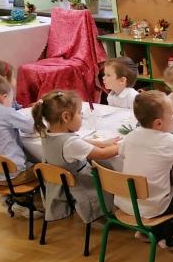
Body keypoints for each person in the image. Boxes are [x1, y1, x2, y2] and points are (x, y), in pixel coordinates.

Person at [116, 90, 173, 251]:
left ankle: (147, 231)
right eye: (172, 114)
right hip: (151, 207)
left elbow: (121, 153)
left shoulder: (131, 136)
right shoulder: (166, 141)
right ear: (158, 123)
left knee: (172, 184)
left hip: (127, 202)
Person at [32, 90, 119, 223]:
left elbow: (78, 141)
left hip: (59, 184)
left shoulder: (46, 133)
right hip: (82, 185)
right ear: (66, 117)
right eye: (79, 113)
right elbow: (103, 154)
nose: (81, 117)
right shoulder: (70, 143)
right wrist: (125, 145)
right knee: (111, 177)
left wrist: (102, 143)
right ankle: (106, 215)